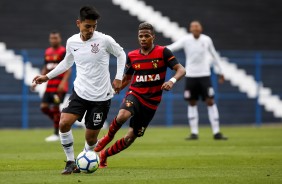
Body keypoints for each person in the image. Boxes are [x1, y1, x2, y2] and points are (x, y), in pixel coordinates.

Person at [32, 6, 126, 174]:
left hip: (101, 97)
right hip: (80, 93)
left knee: (90, 138)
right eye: (87, 26)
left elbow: (121, 54)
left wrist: (119, 77)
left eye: (94, 26)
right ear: (78, 23)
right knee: (64, 123)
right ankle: (69, 161)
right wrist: (47, 76)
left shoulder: (104, 40)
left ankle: (84, 159)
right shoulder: (72, 42)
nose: (91, 30)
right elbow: (67, 63)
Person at [94, 22, 186, 168]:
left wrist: (172, 81)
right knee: (123, 114)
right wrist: (115, 89)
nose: (143, 39)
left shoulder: (163, 52)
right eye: (140, 36)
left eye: (146, 36)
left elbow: (181, 69)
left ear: (153, 37)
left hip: (152, 102)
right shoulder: (132, 56)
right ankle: (108, 137)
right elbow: (127, 78)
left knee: (131, 137)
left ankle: (104, 155)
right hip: (135, 94)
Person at [167, 20, 227, 140]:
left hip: (205, 75)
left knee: (210, 101)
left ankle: (216, 132)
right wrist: (156, 50)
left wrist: (221, 71)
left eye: (197, 26)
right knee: (192, 102)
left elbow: (214, 54)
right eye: (192, 26)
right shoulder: (186, 40)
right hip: (191, 75)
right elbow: (172, 47)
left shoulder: (206, 40)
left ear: (201, 28)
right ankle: (194, 132)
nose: (194, 28)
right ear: (190, 29)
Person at [32, 31, 71, 142]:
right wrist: (37, 81)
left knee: (55, 108)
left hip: (59, 86)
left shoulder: (63, 51)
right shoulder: (47, 52)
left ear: (60, 39)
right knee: (44, 107)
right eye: (52, 38)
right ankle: (59, 124)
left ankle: (56, 133)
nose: (54, 40)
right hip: (50, 86)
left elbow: (67, 68)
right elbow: (46, 67)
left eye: (56, 38)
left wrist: (63, 83)